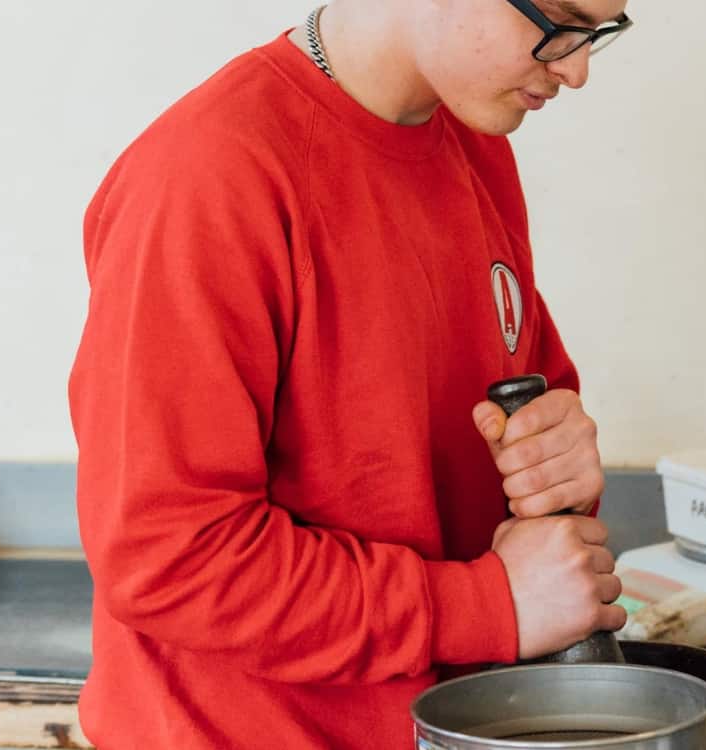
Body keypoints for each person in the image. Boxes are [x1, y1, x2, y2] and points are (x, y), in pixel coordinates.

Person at [67, 0, 634, 746]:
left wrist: (557, 466)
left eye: (600, 31)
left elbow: (521, 404)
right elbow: (170, 559)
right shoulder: (205, 178)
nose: (577, 69)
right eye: (559, 20)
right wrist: (484, 607)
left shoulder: (474, 145)